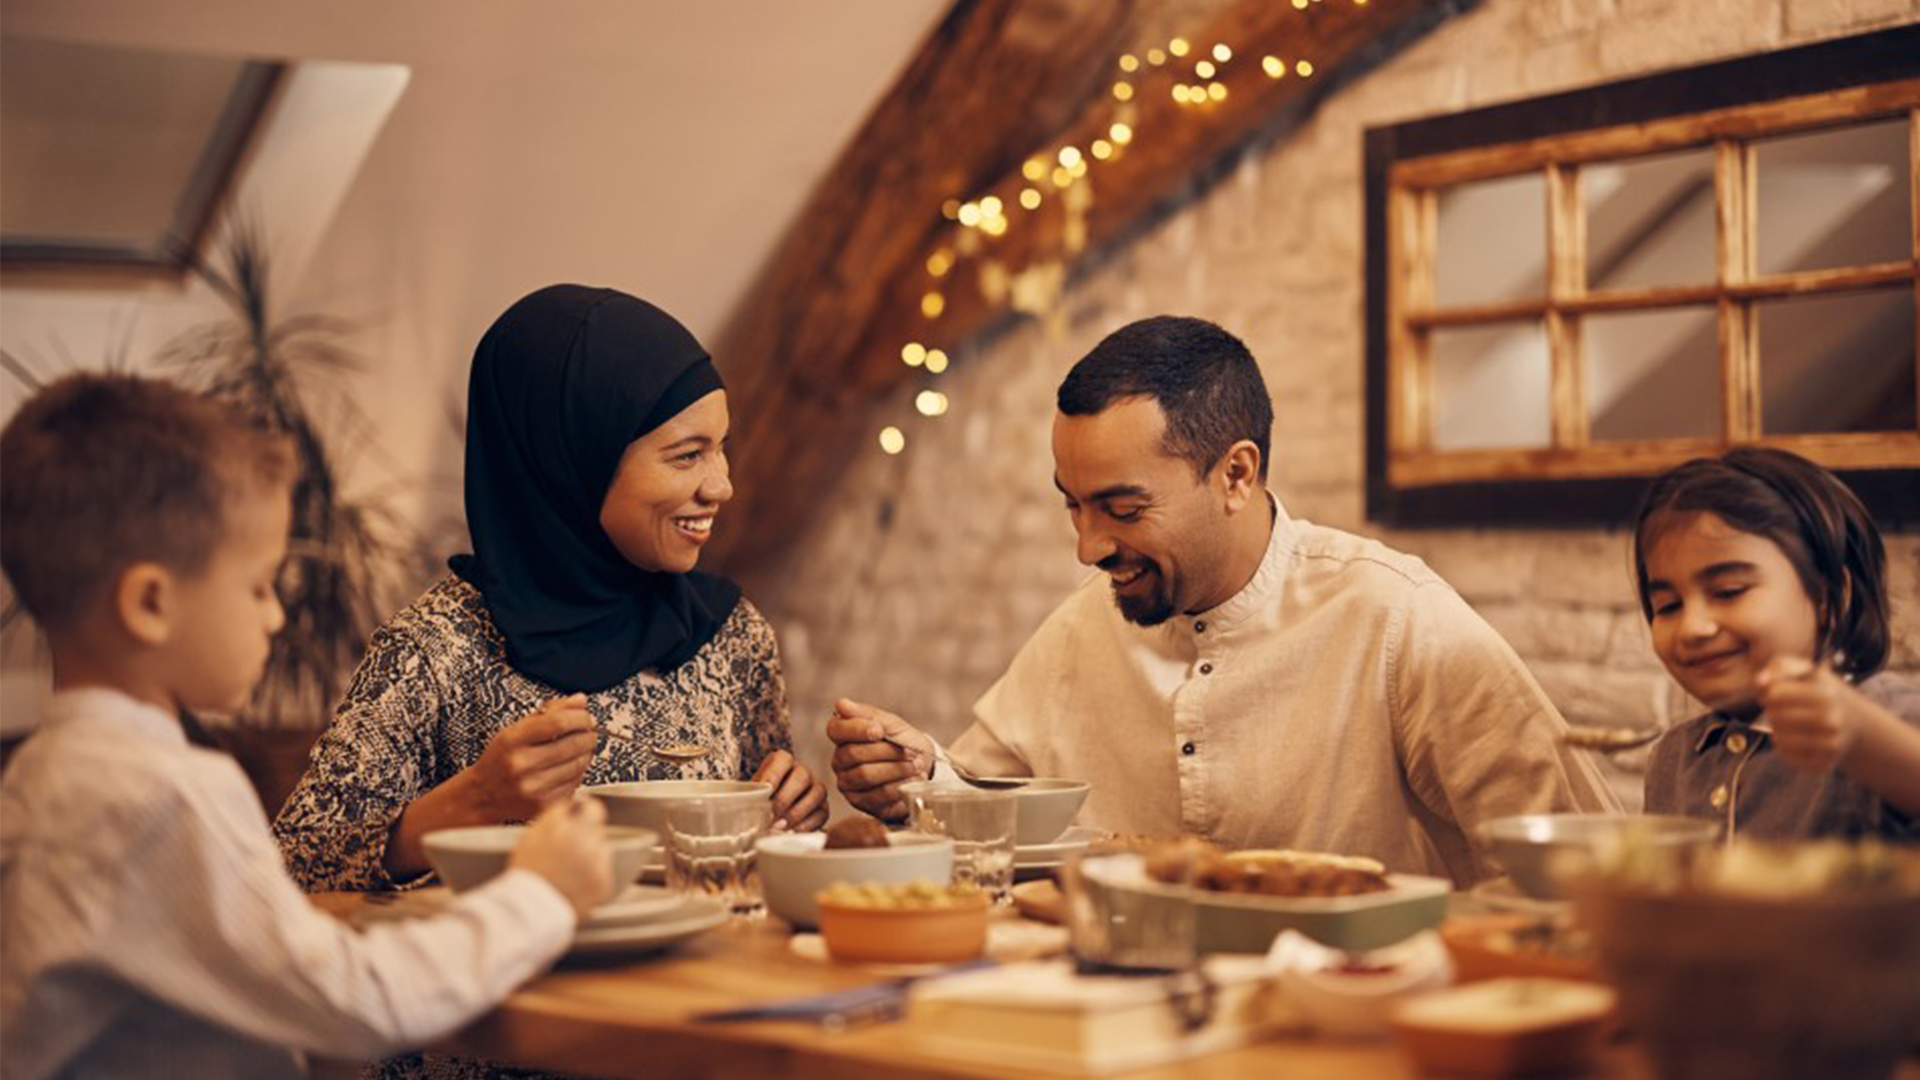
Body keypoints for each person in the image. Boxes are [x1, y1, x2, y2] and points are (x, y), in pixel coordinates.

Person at [827, 316, 1617, 885]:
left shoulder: (1393, 617)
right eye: (1073, 504)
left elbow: (1584, 865)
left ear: (1237, 474)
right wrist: (919, 775)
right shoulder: (1085, 623)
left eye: (1123, 509)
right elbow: (993, 810)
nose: (1088, 547)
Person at [0, 375, 615, 1080]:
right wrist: (540, 892)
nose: (274, 617)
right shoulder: (164, 797)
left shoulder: (41, 772)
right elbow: (359, 1000)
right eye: (258, 587)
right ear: (150, 603)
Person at [275, 285, 828, 901]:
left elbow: (761, 842)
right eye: (686, 456)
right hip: (522, 990)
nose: (722, 485)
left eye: (721, 448)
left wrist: (794, 812)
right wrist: (475, 800)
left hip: (712, 981)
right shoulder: (436, 650)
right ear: (572, 461)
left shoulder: (729, 633)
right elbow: (298, 864)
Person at [1632, 448, 1920, 839]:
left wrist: (1864, 739)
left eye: (1728, 591)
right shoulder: (1673, 757)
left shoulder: (1888, 718)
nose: (1692, 628)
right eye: (1668, 606)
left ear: (1826, 597)